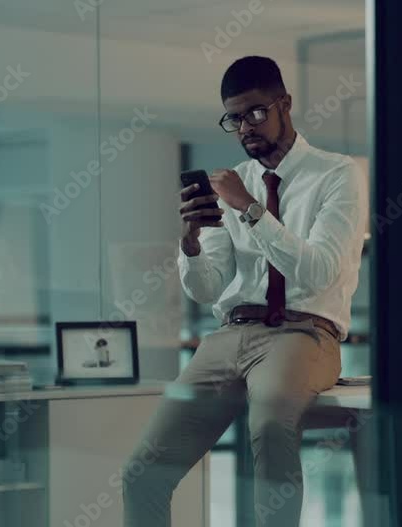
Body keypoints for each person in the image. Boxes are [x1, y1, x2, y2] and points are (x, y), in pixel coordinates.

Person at [122, 55, 368, 527]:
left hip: (303, 333)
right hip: (229, 334)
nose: (245, 127)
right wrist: (191, 243)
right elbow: (208, 287)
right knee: (144, 470)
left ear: (285, 104)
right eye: (233, 118)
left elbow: (318, 272)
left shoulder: (336, 175)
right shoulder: (233, 183)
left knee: (272, 425)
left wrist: (252, 210)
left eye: (255, 112)